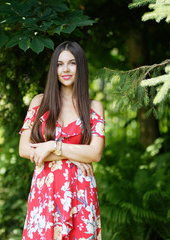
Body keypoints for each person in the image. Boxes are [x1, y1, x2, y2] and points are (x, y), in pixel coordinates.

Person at [19, 41, 105, 240]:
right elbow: (25, 149)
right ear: (54, 69)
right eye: (60, 64)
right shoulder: (39, 103)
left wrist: (53, 146)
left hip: (80, 194)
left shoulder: (94, 107)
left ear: (80, 67)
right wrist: (73, 156)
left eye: (72, 63)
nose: (65, 69)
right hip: (45, 194)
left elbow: (95, 153)